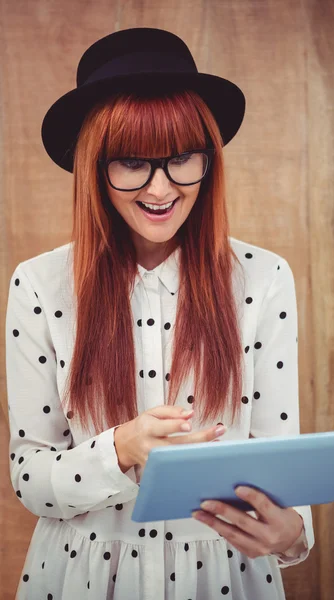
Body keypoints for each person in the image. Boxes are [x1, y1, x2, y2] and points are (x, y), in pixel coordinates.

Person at [5, 27, 314, 600]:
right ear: (95, 166)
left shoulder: (265, 278)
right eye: (131, 163)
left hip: (225, 579)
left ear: (207, 160)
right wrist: (120, 450)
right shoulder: (40, 284)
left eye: (180, 159)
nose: (160, 187)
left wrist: (291, 532)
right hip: (80, 577)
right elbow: (30, 477)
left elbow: (281, 469)